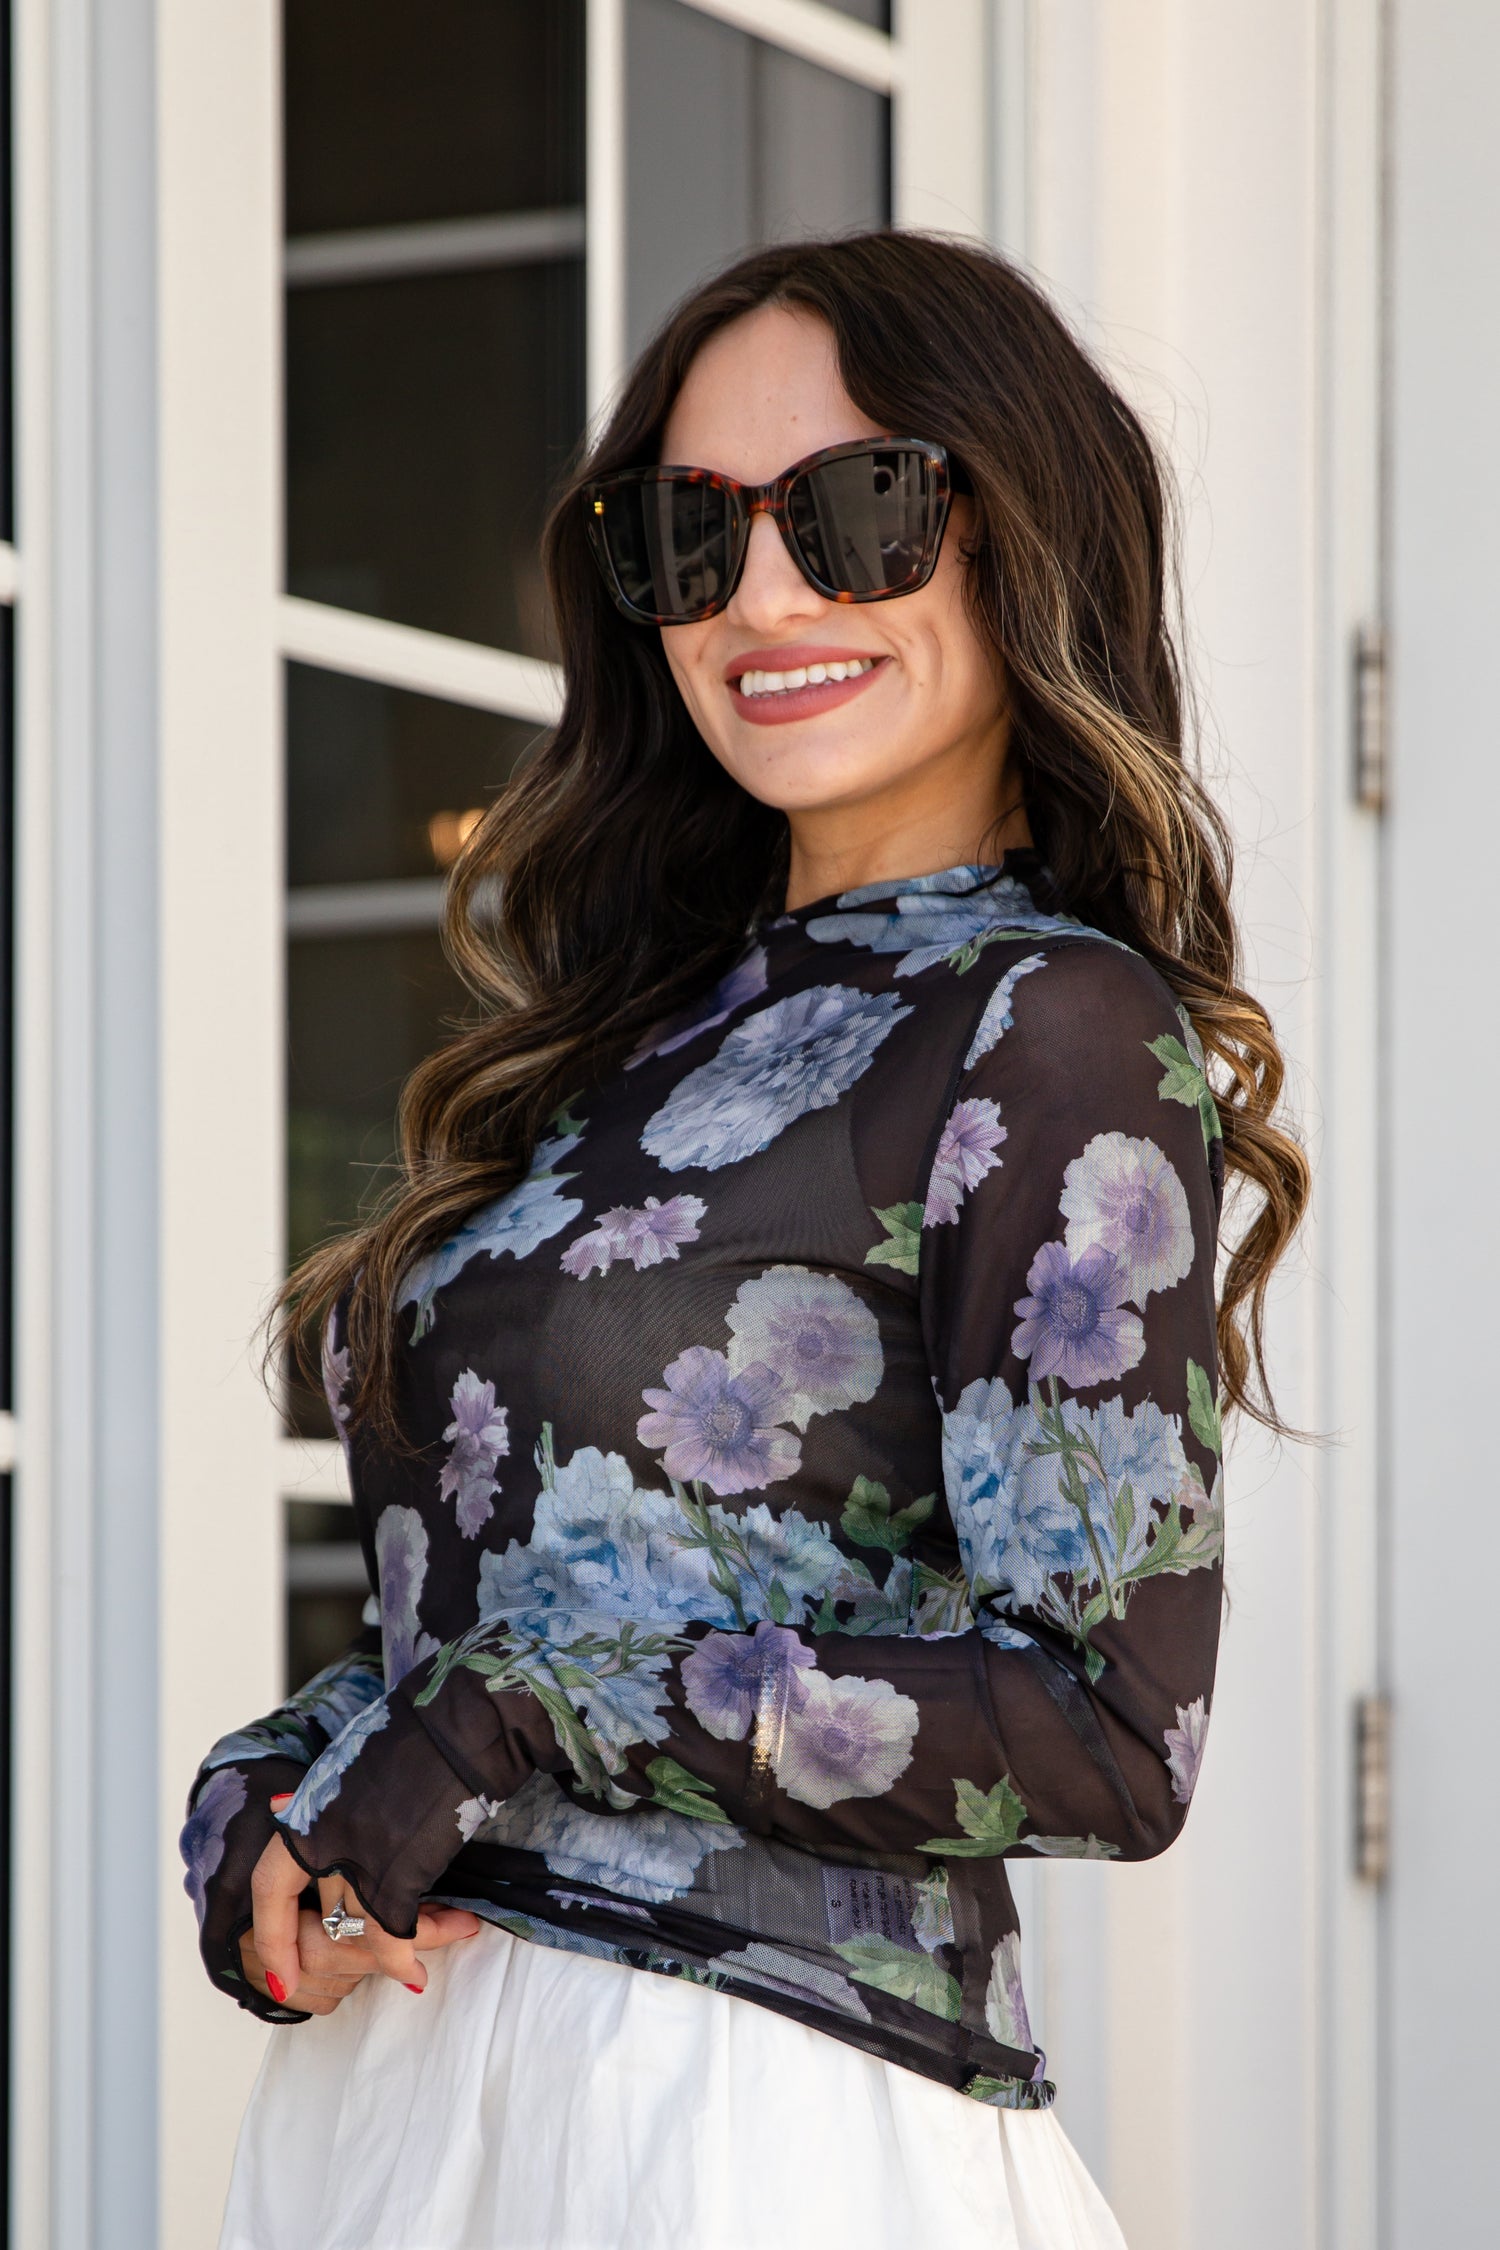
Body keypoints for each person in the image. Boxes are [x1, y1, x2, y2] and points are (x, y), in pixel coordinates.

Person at [183, 231, 1307, 2250]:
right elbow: (483, 1618)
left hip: (746, 2126)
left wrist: (520, 1713)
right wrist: (285, 1799)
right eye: (688, 541)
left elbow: (1112, 1732)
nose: (766, 596)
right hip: (404, 2106)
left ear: (1013, 527)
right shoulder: (616, 1038)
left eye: (860, 510)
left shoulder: (1046, 1026)